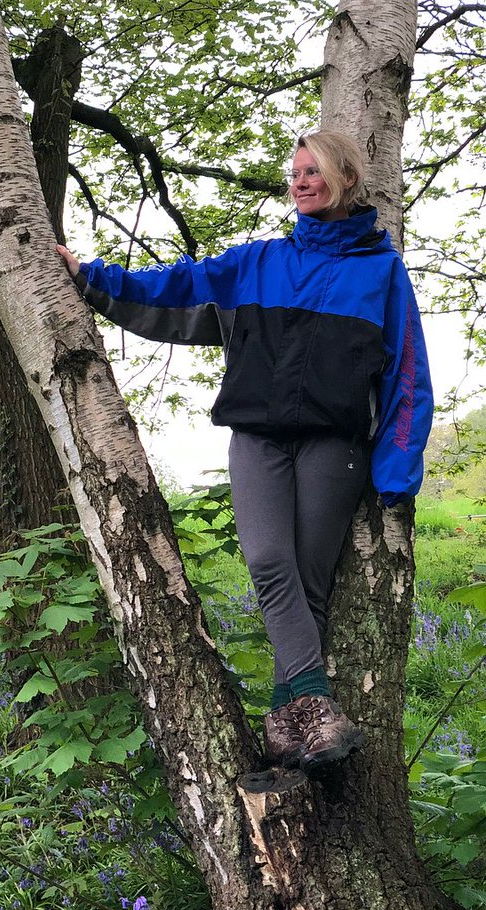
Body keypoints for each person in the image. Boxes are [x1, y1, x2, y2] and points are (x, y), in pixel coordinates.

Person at [56, 130, 433, 771]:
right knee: (266, 561)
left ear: (344, 178)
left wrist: (397, 467)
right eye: (294, 174)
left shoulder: (381, 272)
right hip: (257, 437)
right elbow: (175, 285)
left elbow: (407, 372)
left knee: (309, 585)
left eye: (313, 172)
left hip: (333, 445)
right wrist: (91, 276)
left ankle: (289, 733)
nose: (300, 182)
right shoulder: (258, 262)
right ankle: (314, 703)